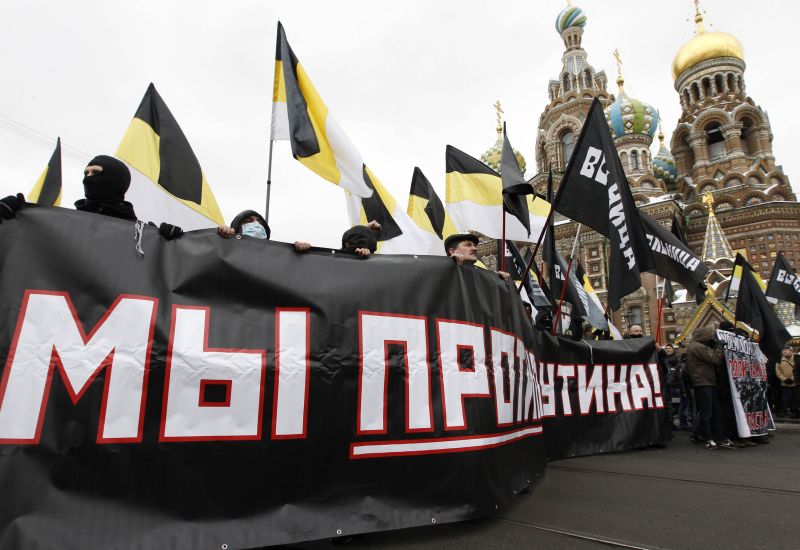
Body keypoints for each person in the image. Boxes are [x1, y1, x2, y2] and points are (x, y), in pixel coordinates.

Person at [686, 326, 734, 450]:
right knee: (708, 413)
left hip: (706, 382)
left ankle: (718, 437)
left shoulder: (695, 346)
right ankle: (709, 438)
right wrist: (719, 347)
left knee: (714, 412)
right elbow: (714, 359)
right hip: (704, 383)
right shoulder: (698, 347)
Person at [218, 209, 312, 251]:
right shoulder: (227, 252)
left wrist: (299, 256)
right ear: (236, 229)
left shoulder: (275, 257)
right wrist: (221, 238)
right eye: (248, 221)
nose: (257, 225)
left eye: (260, 222)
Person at [444, 233, 510, 282]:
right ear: (452, 251)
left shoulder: (484, 278)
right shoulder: (442, 273)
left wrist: (505, 283)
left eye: (475, 245)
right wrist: (452, 266)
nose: (474, 248)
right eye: (468, 245)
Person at [776, 346, 799, 418]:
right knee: (785, 398)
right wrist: (784, 379)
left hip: (795, 383)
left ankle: (794, 411)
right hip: (784, 383)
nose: (784, 351)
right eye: (783, 350)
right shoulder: (779, 360)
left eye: (786, 350)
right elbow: (778, 371)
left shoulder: (796, 359)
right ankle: (784, 411)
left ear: (791, 351)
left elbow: (797, 370)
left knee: (795, 398)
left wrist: (793, 378)